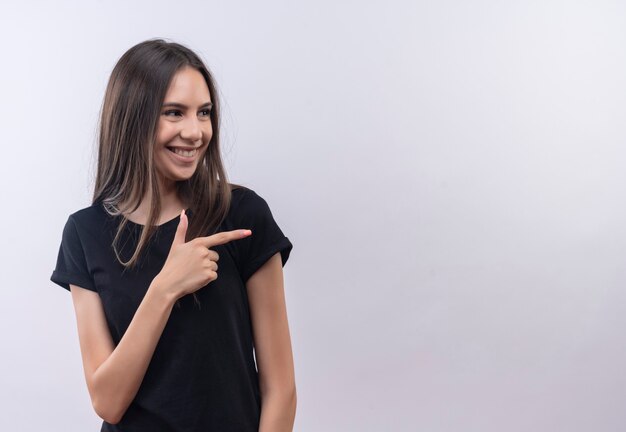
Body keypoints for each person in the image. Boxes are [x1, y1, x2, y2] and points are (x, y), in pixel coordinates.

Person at [50, 39, 296, 432]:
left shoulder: (241, 214)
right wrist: (165, 288)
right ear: (133, 119)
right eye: (174, 113)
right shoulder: (85, 233)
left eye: (204, 112)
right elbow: (108, 402)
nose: (195, 132)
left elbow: (280, 389)